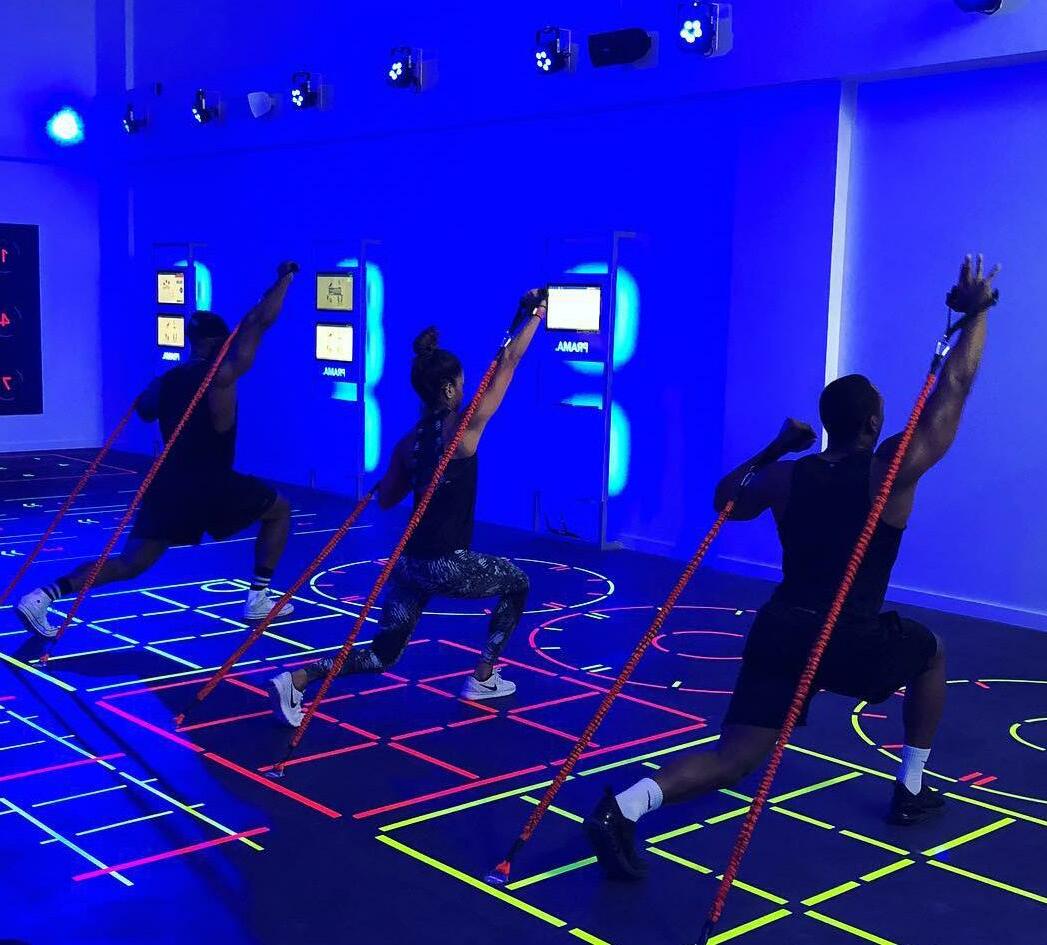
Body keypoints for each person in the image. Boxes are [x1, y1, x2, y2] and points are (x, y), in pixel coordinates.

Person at [585, 255, 1001, 879]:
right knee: (932, 652)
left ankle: (623, 807)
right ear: (873, 423)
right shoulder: (887, 471)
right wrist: (979, 313)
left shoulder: (785, 476)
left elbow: (726, 500)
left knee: (734, 757)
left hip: (784, 627)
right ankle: (911, 789)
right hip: (847, 634)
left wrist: (776, 445)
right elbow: (955, 391)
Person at [268, 290, 547, 726]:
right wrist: (538, 314)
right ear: (449, 388)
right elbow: (507, 364)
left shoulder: (409, 443)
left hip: (409, 564)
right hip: (444, 564)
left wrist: (404, 474)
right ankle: (483, 676)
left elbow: (387, 498)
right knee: (518, 583)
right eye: (461, 383)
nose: (467, 389)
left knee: (383, 654)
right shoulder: (462, 431)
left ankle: (298, 679)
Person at [17, 262, 300, 638]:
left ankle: (43, 596)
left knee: (131, 563)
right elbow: (258, 322)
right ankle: (258, 598)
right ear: (217, 342)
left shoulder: (166, 381)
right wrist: (285, 279)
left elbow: (145, 410)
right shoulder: (222, 374)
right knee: (280, 511)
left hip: (170, 485)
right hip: (212, 483)